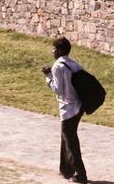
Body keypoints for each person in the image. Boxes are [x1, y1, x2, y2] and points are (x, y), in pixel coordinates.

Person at [43, 36, 87, 183]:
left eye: (54, 48)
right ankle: (65, 169)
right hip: (79, 106)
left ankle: (80, 174)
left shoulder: (57, 67)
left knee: (70, 141)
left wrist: (48, 77)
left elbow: (58, 90)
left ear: (60, 50)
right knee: (66, 136)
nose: (52, 51)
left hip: (68, 108)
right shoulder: (74, 65)